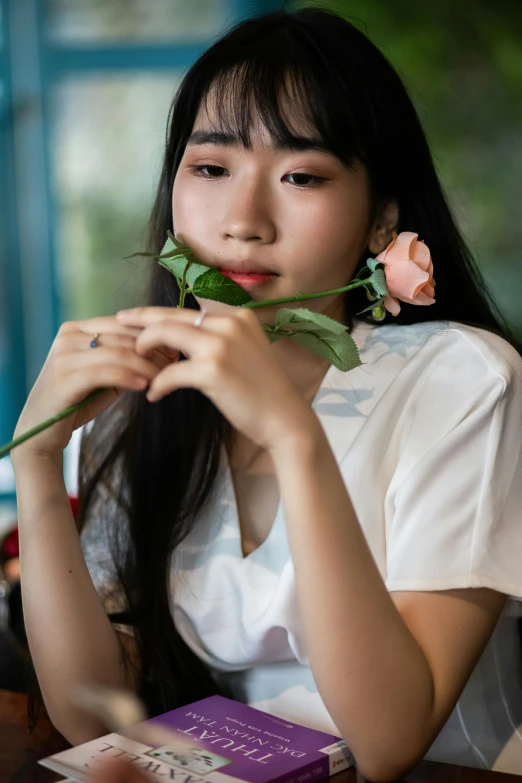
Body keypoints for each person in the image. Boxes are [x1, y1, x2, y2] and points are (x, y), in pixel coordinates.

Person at [10, 7, 522, 781]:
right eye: (210, 169)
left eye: (302, 176)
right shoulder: (150, 401)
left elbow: (390, 743)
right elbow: (92, 714)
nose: (243, 222)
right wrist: (42, 456)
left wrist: (293, 437)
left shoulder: (463, 378)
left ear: (382, 215)